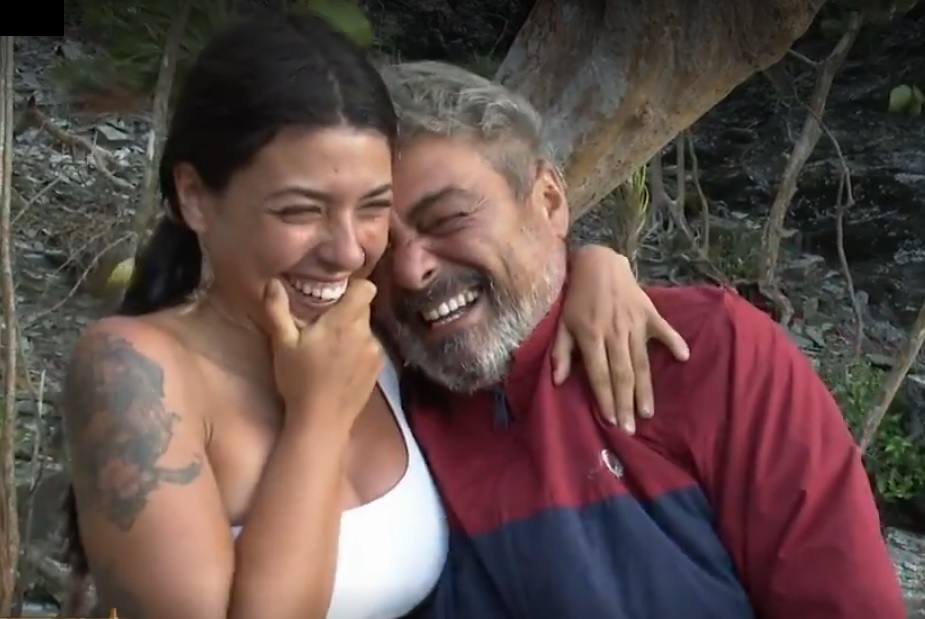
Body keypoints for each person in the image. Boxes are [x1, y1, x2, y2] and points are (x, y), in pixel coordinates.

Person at [60, 12, 689, 619]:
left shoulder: (382, 338)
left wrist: (593, 267)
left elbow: (498, 289)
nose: (348, 250)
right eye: (299, 211)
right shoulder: (133, 370)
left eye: (371, 209)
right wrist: (317, 418)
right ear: (196, 196)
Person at [372, 60, 909, 619]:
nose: (410, 269)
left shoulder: (704, 353)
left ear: (550, 202)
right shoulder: (379, 405)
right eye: (378, 244)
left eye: (450, 219)